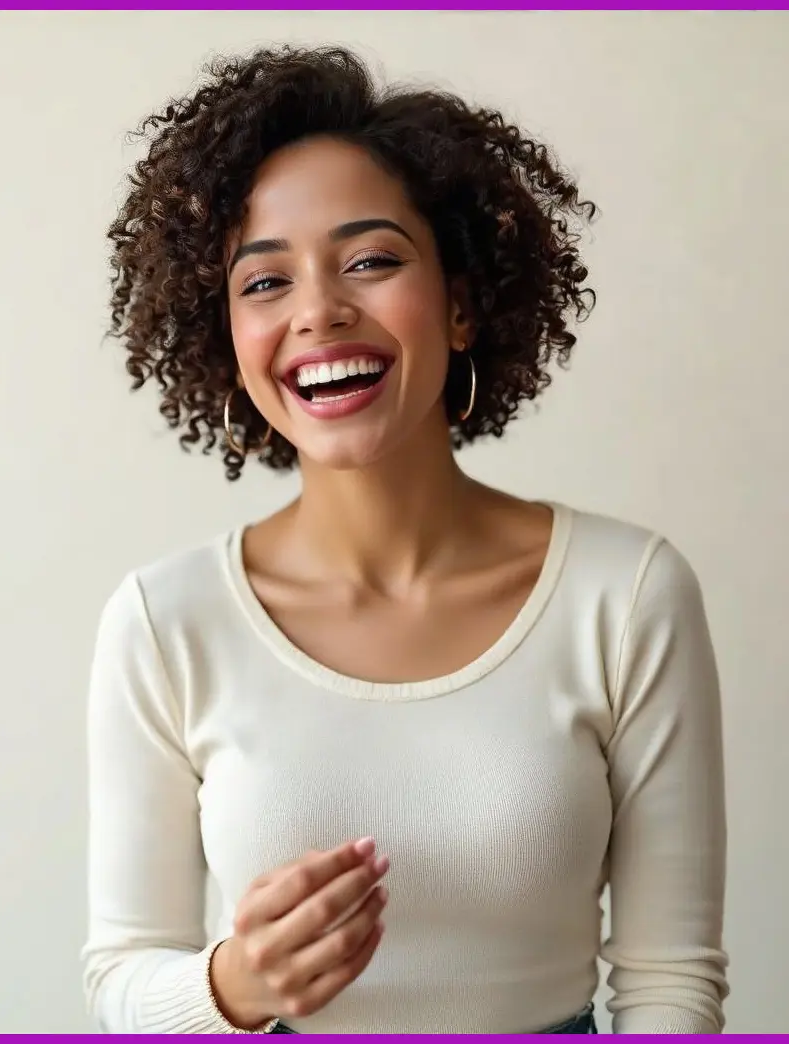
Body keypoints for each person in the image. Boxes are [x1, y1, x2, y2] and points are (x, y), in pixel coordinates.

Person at [82, 45, 728, 1035]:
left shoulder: (626, 593)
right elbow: (120, 984)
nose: (318, 310)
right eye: (264, 282)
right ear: (226, 340)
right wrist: (232, 987)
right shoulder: (166, 624)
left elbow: (669, 983)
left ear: (462, 304)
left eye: (371, 261)